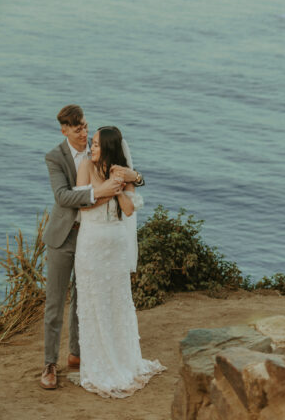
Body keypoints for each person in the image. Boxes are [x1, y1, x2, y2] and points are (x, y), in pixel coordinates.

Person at [41, 105, 144, 391]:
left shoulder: (97, 151)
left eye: (86, 127)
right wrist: (101, 191)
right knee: (55, 301)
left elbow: (125, 174)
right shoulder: (55, 157)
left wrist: (134, 178)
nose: (85, 133)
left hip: (93, 238)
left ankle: (77, 353)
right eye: (78, 129)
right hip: (65, 236)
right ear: (64, 130)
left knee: (83, 297)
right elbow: (63, 197)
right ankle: (50, 363)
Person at [73, 125, 165, 398]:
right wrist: (106, 190)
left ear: (110, 148)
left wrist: (121, 186)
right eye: (93, 143)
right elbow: (82, 204)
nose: (92, 148)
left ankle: (122, 360)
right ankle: (97, 366)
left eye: (98, 144)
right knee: (93, 304)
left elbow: (127, 210)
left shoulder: (121, 173)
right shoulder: (84, 168)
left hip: (114, 246)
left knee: (116, 303)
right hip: (90, 245)